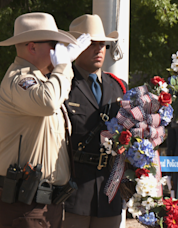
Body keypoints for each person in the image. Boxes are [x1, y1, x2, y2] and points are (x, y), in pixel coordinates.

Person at [0, 12, 91, 228]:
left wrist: (60, 70)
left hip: (42, 203)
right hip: (22, 202)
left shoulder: (43, 80)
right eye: (54, 44)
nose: (58, 50)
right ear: (32, 47)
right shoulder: (20, 79)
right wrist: (63, 66)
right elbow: (48, 102)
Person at [63, 14, 127, 228]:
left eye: (103, 45)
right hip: (73, 191)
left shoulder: (118, 87)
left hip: (108, 191)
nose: (99, 49)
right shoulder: (63, 84)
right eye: (91, 44)